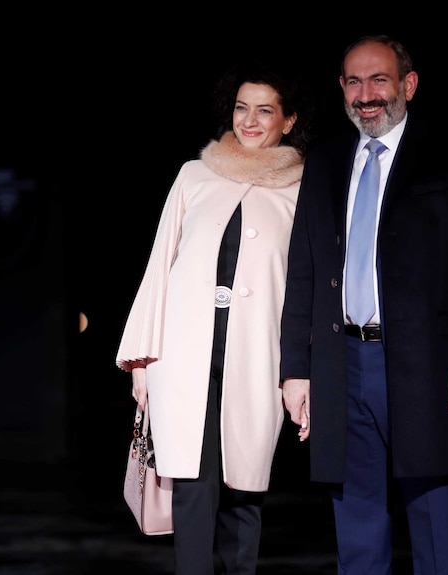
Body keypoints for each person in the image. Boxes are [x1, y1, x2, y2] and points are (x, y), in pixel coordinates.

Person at [279, 35, 448, 574]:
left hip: (422, 363)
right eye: (354, 81)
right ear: (341, 88)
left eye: (379, 79)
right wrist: (296, 370)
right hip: (342, 365)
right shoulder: (327, 162)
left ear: (408, 84)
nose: (366, 94)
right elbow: (303, 272)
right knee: (355, 519)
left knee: (433, 516)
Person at [115, 57, 314, 575]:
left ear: (287, 120)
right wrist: (142, 357)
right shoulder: (194, 174)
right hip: (185, 355)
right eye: (242, 107)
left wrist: (303, 368)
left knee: (245, 489)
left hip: (256, 357)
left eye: (264, 110)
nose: (249, 121)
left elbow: (307, 286)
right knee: (192, 486)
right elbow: (160, 263)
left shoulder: (304, 189)